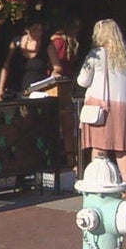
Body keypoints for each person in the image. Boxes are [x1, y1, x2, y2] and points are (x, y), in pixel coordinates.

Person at [77, 19, 126, 199]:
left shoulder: (96, 54)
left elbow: (82, 81)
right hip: (124, 107)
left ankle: (100, 186)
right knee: (123, 149)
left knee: (99, 147)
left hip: (101, 107)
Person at [0, 20, 63, 102]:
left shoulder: (47, 43)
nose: (38, 33)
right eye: (34, 29)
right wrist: (0, 90)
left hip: (37, 91)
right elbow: (6, 66)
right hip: (15, 91)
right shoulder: (16, 43)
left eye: (40, 30)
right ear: (27, 30)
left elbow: (57, 67)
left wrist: (55, 72)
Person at [49, 16, 82, 168]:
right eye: (75, 27)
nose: (77, 31)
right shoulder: (59, 43)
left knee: (68, 123)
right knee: (68, 123)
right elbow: (57, 65)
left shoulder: (65, 43)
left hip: (66, 86)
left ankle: (72, 159)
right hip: (59, 87)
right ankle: (71, 159)